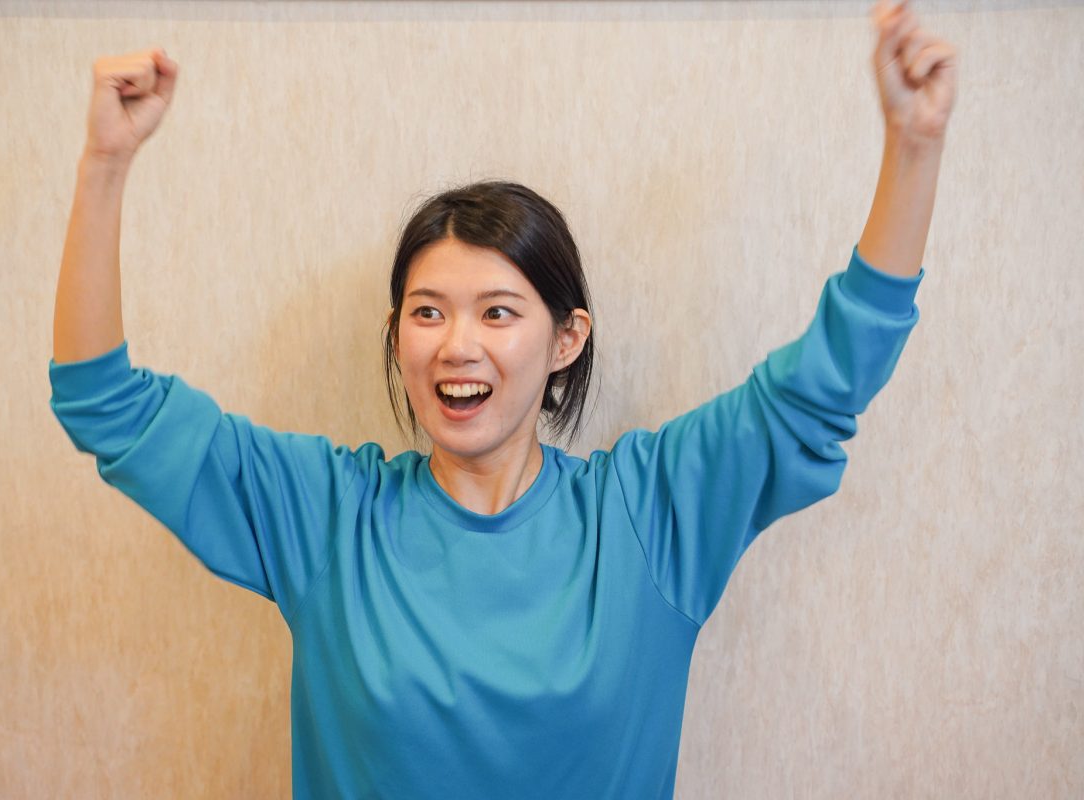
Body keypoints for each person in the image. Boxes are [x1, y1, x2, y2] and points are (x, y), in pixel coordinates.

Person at [48, 1, 956, 797]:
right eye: (428, 312)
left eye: (497, 312)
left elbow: (822, 388)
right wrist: (104, 163)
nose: (457, 344)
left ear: (566, 340)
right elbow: (102, 401)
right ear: (398, 337)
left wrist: (914, 148)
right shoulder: (325, 515)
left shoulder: (649, 514)